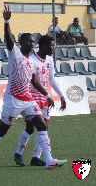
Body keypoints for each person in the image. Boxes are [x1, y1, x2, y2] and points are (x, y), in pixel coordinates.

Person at [0, 6, 67, 169]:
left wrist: (47, 95)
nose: (31, 43)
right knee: (2, 130)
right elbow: (8, 39)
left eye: (33, 41)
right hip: (13, 99)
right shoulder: (15, 54)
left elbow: (34, 80)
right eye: (28, 41)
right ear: (21, 42)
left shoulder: (31, 61)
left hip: (27, 99)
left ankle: (49, 160)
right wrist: (6, 21)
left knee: (41, 125)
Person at [14, 35, 66, 167]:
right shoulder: (32, 60)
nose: (53, 48)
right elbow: (32, 80)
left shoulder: (49, 59)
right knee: (30, 128)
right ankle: (18, 153)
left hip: (44, 98)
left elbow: (51, 79)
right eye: (51, 45)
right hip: (32, 98)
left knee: (44, 127)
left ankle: (36, 157)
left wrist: (61, 95)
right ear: (43, 46)